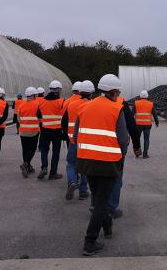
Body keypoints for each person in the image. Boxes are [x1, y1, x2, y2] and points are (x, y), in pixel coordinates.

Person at [75, 74, 129, 256]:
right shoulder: (116, 109)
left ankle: (107, 226)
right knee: (101, 202)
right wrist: (120, 160)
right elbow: (123, 140)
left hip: (86, 162)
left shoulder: (84, 107)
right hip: (108, 163)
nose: (118, 94)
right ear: (113, 92)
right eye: (118, 92)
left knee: (98, 197)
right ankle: (90, 241)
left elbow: (75, 137)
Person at [106, 94, 140, 219]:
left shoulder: (94, 103)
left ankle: (96, 204)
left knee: (98, 176)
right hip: (116, 149)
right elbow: (132, 127)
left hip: (97, 147)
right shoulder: (122, 104)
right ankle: (111, 208)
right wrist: (136, 147)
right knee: (116, 177)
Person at [62, 80, 93, 200]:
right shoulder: (92, 105)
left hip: (73, 141)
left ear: (79, 92)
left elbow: (64, 122)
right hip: (86, 142)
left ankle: (72, 182)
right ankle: (83, 191)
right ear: (91, 93)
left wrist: (66, 135)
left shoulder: (71, 105)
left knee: (71, 164)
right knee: (84, 166)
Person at [37, 80, 65, 180]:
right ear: (57, 90)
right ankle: (53, 173)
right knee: (55, 152)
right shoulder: (61, 101)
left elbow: (38, 115)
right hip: (57, 131)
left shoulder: (42, 101)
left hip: (45, 130)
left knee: (44, 150)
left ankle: (44, 167)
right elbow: (65, 116)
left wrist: (44, 122)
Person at [18, 87, 42, 177]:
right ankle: (26, 164)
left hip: (23, 131)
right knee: (32, 149)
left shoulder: (21, 105)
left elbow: (18, 119)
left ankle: (27, 166)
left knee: (25, 149)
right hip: (33, 131)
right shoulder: (38, 104)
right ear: (34, 95)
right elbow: (40, 118)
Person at [133, 90, 159, 158]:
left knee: (137, 139)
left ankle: (137, 153)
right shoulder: (150, 104)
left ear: (140, 96)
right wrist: (157, 122)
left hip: (138, 125)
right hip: (147, 125)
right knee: (146, 139)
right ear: (147, 96)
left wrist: (130, 124)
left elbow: (131, 114)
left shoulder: (136, 103)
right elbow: (154, 114)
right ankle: (145, 154)